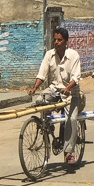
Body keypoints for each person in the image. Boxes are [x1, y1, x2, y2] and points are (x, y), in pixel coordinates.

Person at [27, 27, 83, 165]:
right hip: (54, 90)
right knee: (41, 101)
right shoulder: (49, 55)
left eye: (60, 40)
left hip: (72, 93)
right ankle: (48, 126)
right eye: (55, 39)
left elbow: (76, 77)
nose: (56, 42)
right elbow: (42, 73)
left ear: (66, 41)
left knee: (72, 118)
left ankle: (69, 152)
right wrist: (34, 88)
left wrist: (68, 88)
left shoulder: (73, 55)